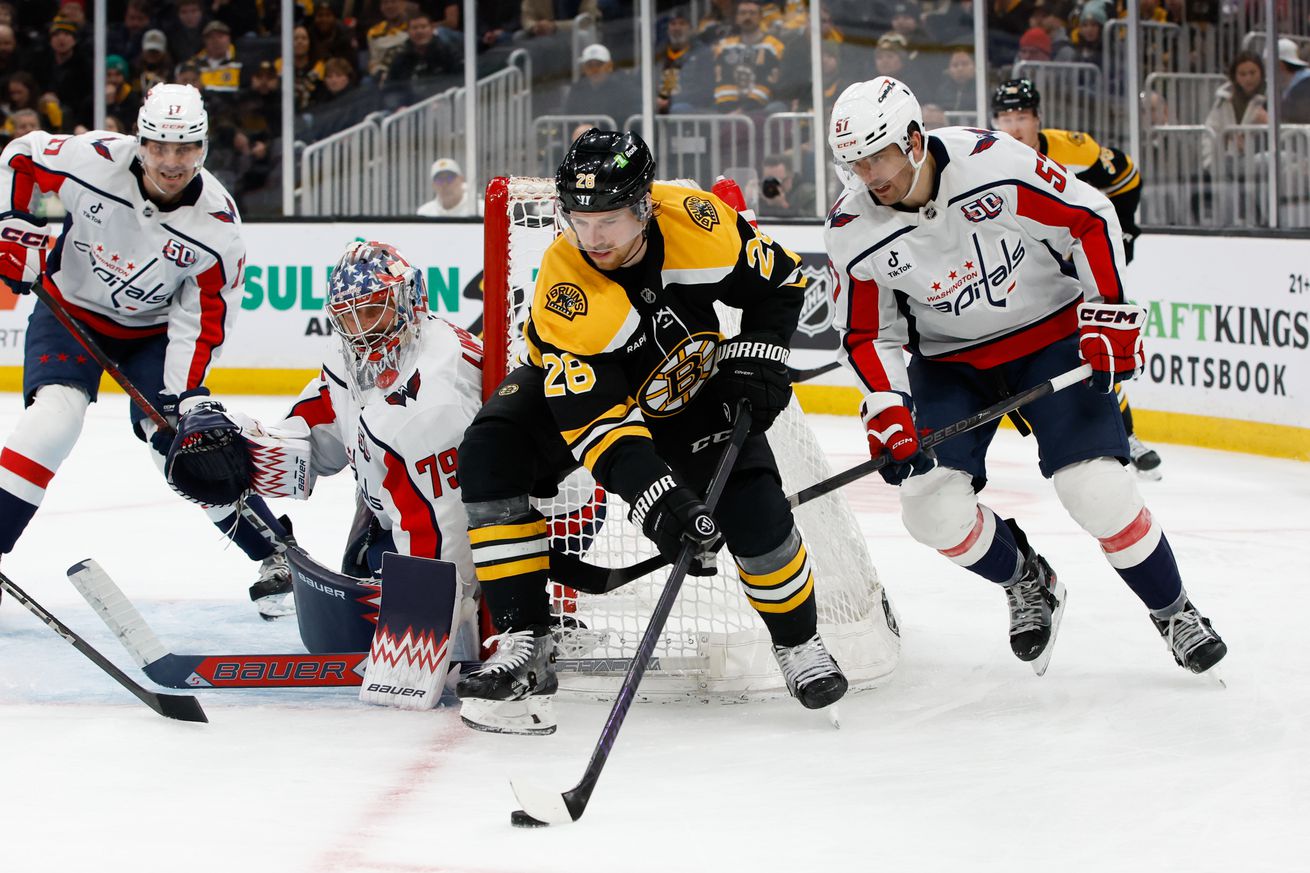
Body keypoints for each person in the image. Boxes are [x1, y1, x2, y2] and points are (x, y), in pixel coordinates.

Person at [824, 77, 1226, 676]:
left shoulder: (992, 163)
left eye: (877, 156)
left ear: (913, 140)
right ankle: (1027, 579)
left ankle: (1173, 609)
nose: (868, 175)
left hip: (1049, 337)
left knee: (1097, 490)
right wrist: (887, 405)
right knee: (930, 508)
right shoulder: (852, 226)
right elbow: (864, 332)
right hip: (951, 362)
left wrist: (1109, 312)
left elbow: (1088, 219)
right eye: (854, 163)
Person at [455, 128, 848, 733]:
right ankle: (526, 641)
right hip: (588, 400)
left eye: (608, 218)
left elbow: (782, 282)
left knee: (755, 514)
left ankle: (797, 643)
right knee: (491, 448)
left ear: (643, 205)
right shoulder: (566, 291)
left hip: (688, 386)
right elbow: (599, 427)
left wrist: (763, 357)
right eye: (579, 219)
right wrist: (662, 503)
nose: (593, 238)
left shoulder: (700, 224)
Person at [0, 84, 296, 617]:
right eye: (160, 146)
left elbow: (203, 321)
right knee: (54, 420)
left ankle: (274, 553)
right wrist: (15, 225)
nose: (171, 161)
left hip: (152, 335)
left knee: (182, 443)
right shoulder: (93, 161)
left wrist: (185, 400)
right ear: (141, 141)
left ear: (202, 148)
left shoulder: (218, 228)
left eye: (185, 149)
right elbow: (20, 155)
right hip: (70, 311)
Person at [163, 239, 483, 622]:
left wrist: (431, 619)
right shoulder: (355, 354)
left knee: (392, 617)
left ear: (408, 302)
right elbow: (325, 424)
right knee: (355, 595)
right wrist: (252, 451)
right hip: (396, 515)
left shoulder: (433, 395)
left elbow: (444, 520)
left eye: (371, 312)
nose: (360, 330)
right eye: (349, 317)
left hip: (474, 535)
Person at [991, 77, 1162, 479]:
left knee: (1093, 346)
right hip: (1015, 270)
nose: (1014, 127)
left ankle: (1123, 437)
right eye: (1005, 117)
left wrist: (1126, 228)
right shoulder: (984, 159)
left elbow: (1126, 177)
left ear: (1038, 119)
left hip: (1068, 268)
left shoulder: (1074, 149)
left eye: (1022, 116)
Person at [1201, 51, 1267, 174]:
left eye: (1252, 73)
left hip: (1261, 160)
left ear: (1261, 73)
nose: (1248, 78)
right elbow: (1210, 132)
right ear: (1235, 76)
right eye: (1242, 74)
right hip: (1230, 162)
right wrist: (1210, 163)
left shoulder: (1271, 96)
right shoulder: (1223, 100)